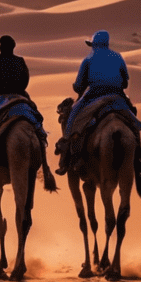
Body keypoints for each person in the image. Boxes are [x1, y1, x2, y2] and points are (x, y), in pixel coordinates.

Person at [55, 30, 129, 175]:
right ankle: (137, 155)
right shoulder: (118, 57)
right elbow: (125, 82)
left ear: (94, 44)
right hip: (117, 95)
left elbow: (79, 84)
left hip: (93, 94)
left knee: (74, 115)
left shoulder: (88, 59)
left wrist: (77, 87)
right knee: (131, 115)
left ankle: (67, 148)